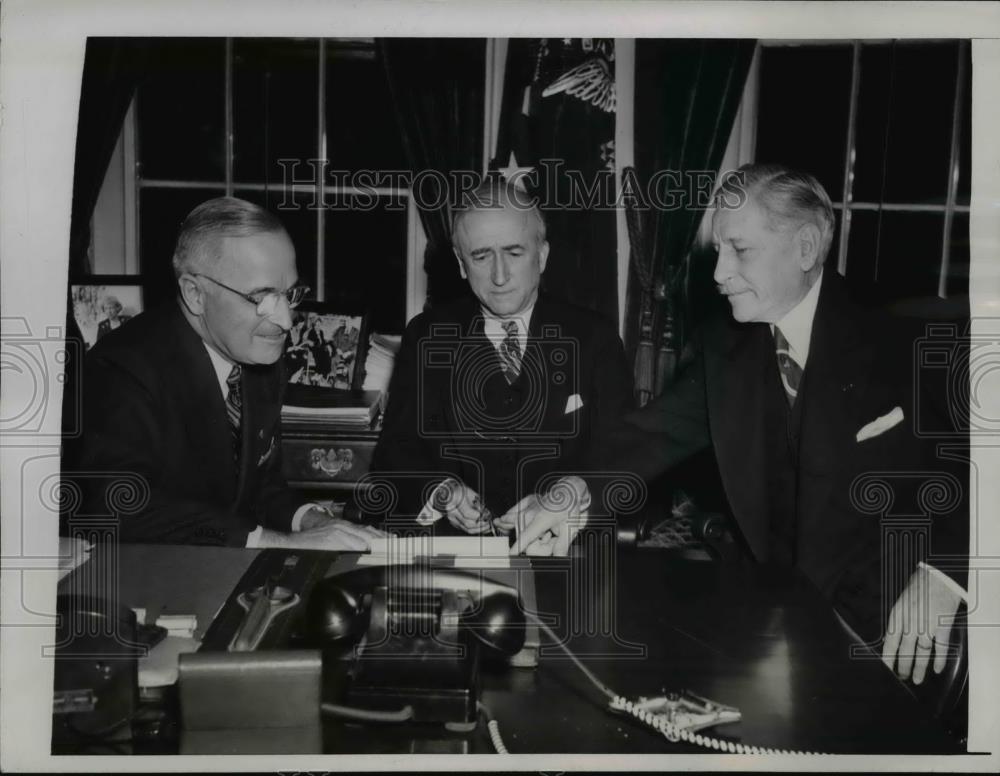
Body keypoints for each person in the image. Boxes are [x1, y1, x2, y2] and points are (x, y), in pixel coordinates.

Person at [615, 164, 968, 685]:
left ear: (805, 248)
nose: (718, 274)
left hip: (890, 645)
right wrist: (568, 489)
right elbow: (647, 436)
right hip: (767, 633)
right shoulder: (725, 345)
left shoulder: (911, 340)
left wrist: (945, 573)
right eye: (719, 252)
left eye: (741, 250)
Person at [69, 197, 384, 550]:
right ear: (195, 294)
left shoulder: (258, 353)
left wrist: (315, 521)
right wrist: (277, 541)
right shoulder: (120, 370)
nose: (285, 321)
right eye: (261, 297)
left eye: (290, 294)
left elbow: (258, 485)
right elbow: (118, 508)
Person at [370, 180, 633, 555]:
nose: (499, 275)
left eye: (513, 253)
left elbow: (625, 459)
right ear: (462, 265)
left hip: (564, 551)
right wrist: (441, 492)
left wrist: (572, 503)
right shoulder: (426, 336)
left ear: (541, 256)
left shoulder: (596, 338)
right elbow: (394, 457)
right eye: (480, 256)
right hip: (454, 552)